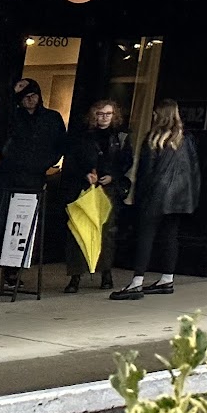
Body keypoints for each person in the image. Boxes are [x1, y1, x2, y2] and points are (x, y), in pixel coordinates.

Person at [111, 100, 200, 300]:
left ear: (159, 115)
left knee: (145, 237)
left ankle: (137, 282)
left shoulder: (153, 138)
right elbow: (194, 171)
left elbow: (145, 173)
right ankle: (167, 279)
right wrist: (191, 198)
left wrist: (137, 197)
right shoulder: (185, 139)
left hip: (155, 196)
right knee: (170, 237)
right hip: (179, 198)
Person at [0, 78, 68, 294]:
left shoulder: (51, 118)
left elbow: (60, 145)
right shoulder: (11, 117)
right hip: (7, 176)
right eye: (25, 97)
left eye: (33, 95)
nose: (30, 100)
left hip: (34, 177)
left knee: (23, 225)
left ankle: (13, 271)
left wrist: (46, 164)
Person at [63, 99, 132, 293]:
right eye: (100, 114)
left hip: (108, 189)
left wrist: (113, 176)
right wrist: (85, 174)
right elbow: (72, 159)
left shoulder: (121, 136)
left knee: (107, 232)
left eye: (108, 114)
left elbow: (126, 161)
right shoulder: (83, 135)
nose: (104, 118)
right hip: (84, 187)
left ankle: (105, 273)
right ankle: (76, 276)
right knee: (79, 230)